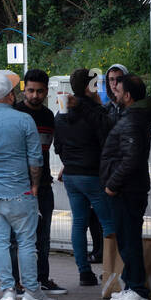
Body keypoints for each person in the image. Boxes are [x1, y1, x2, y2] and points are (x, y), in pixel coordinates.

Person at [0, 72, 55, 300]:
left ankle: (8, 290)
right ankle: (31, 291)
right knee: (27, 242)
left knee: (0, 241)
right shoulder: (24, 120)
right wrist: (35, 186)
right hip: (21, 192)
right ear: (10, 95)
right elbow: (35, 160)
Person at [101, 74, 151, 300]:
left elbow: (130, 158)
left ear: (128, 96)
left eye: (118, 88)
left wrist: (112, 184)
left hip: (127, 189)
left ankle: (137, 288)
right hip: (129, 187)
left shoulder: (132, 120)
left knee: (129, 239)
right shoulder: (133, 116)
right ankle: (132, 285)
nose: (113, 90)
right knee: (127, 238)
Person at [54, 68, 115, 288]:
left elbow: (58, 146)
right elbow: (106, 135)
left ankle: (84, 272)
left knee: (78, 223)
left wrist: (69, 161)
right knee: (109, 223)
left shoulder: (61, 114)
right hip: (94, 174)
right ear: (90, 86)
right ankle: (112, 270)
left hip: (71, 175)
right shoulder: (94, 110)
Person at [13, 69, 64, 294]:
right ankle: (17, 282)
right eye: (30, 90)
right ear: (24, 89)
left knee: (43, 238)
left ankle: (42, 279)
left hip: (43, 184)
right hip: (18, 186)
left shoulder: (48, 116)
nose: (34, 95)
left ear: (46, 92)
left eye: (39, 91)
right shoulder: (15, 114)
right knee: (18, 237)